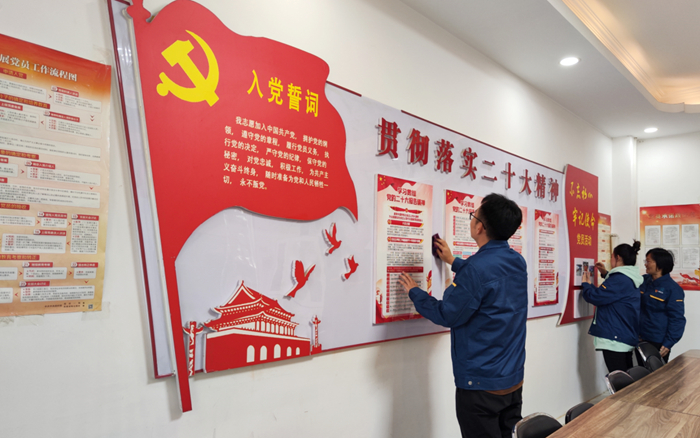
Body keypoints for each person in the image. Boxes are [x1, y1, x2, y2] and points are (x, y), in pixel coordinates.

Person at [398, 193, 527, 438]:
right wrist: (452, 261)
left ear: (480, 227)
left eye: (473, 216)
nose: (472, 220)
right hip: (512, 380)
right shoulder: (517, 261)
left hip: (481, 386)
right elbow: (487, 277)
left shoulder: (476, 269)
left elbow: (447, 314)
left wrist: (415, 293)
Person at [581, 241, 643, 373]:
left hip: (615, 340)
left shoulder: (619, 279)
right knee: (626, 376)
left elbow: (597, 297)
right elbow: (613, 291)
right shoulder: (629, 277)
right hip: (624, 335)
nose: (611, 260)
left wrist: (586, 285)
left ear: (618, 257)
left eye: (612, 256)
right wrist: (605, 273)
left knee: (619, 378)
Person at [637, 248, 686, 363]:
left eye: (648, 261)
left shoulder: (673, 289)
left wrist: (668, 343)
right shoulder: (644, 280)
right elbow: (624, 282)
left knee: (656, 373)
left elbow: (677, 319)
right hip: (640, 337)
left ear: (659, 264)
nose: (645, 264)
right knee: (641, 372)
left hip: (657, 341)